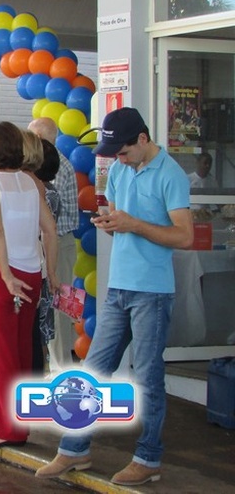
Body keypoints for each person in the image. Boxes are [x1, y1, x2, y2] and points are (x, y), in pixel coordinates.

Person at [37, 107, 193, 486]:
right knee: (93, 370)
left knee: (148, 376)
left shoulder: (171, 174)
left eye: (123, 152)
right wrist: (110, 223)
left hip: (152, 291)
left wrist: (132, 224)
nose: (118, 160)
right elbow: (121, 220)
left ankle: (148, 458)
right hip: (119, 287)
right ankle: (74, 449)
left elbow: (184, 236)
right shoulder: (122, 170)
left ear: (142, 139)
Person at [0, 121, 58, 449]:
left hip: (3, 272)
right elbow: (49, 230)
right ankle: (20, 424)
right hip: (32, 271)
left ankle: (7, 431)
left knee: (3, 354)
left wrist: (6, 277)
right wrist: (52, 273)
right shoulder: (31, 182)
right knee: (24, 350)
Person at [28, 116, 79, 372]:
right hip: (55, 242)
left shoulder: (55, 166)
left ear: (39, 138)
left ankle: (60, 369)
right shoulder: (54, 163)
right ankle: (56, 363)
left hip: (58, 242)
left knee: (58, 309)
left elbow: (47, 213)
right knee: (56, 308)